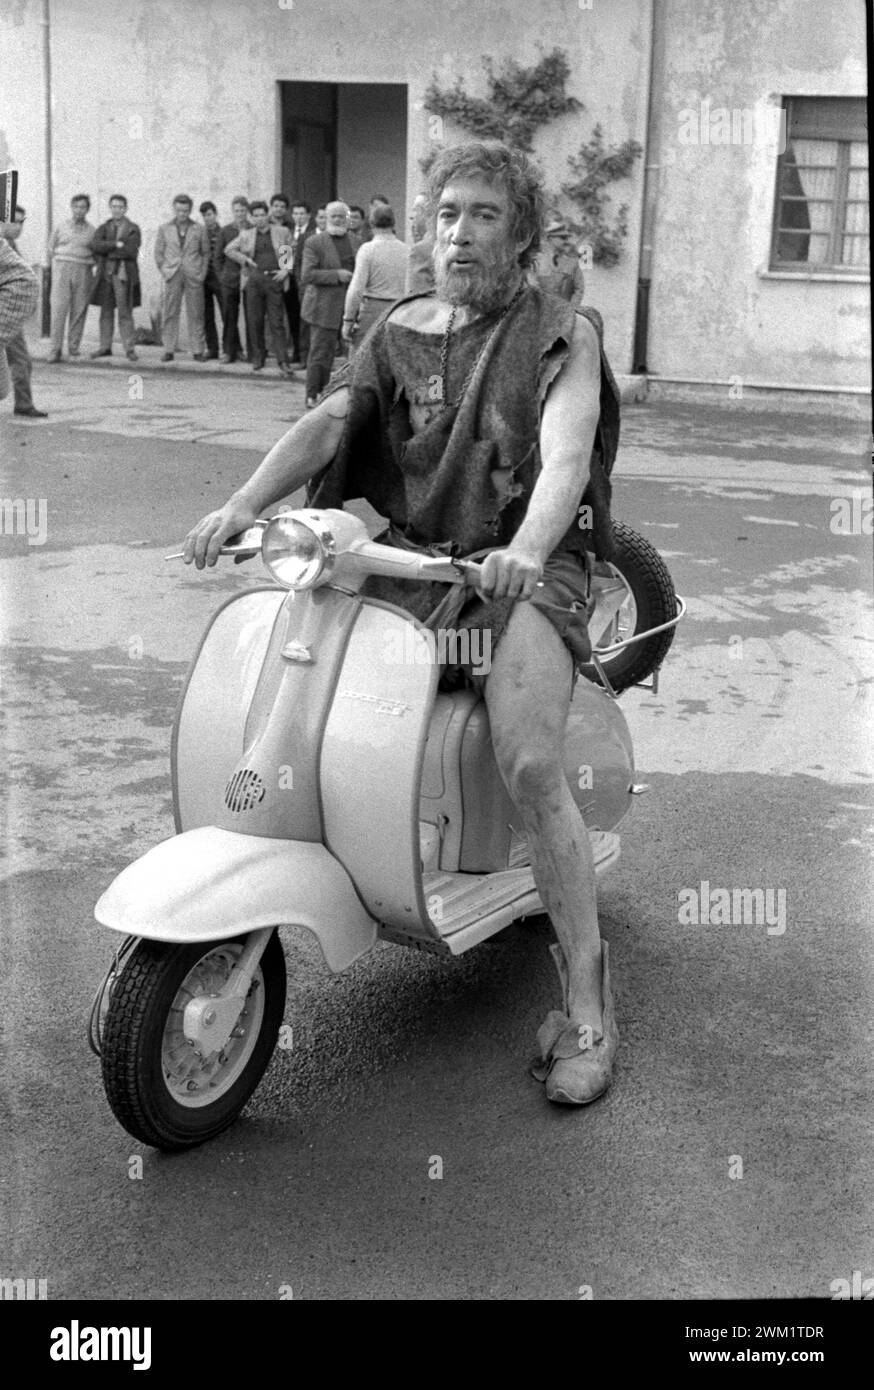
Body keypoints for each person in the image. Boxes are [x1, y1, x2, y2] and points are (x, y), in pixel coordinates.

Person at [182, 140, 622, 1107]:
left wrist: (529, 550)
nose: (459, 233)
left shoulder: (562, 331)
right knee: (316, 672)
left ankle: (589, 1007)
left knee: (533, 762)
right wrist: (243, 503)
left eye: (485, 216)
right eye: (447, 214)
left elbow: (563, 454)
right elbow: (333, 423)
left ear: (524, 234)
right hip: (423, 558)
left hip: (525, 573)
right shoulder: (396, 328)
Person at [223, 200, 294, 377]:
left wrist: (285, 270)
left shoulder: (281, 231)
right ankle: (258, 357)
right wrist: (245, 260)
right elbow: (229, 249)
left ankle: (283, 360)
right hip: (254, 279)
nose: (260, 218)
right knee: (255, 321)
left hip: (274, 279)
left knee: (277, 321)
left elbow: (290, 248)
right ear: (251, 218)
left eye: (262, 215)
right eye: (256, 216)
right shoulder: (247, 234)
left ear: (267, 214)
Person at [300, 200, 356, 407]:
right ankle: (313, 394)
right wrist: (336, 275)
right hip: (323, 307)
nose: (338, 220)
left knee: (352, 355)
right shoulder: (315, 242)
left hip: (350, 307)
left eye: (342, 216)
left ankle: (345, 397)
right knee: (320, 354)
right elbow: (307, 274)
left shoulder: (356, 241)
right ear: (325, 218)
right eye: (334, 216)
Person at [341, 203, 408, 354]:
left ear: (371, 224)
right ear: (393, 223)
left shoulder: (367, 250)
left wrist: (348, 320)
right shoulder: (406, 250)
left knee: (361, 362)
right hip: (399, 311)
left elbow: (356, 288)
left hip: (372, 310)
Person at [154, 194, 209, 362]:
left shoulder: (199, 229)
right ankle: (169, 349)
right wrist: (165, 269)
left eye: (185, 211)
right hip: (173, 273)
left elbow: (206, 252)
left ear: (190, 210)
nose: (182, 214)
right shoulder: (165, 228)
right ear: (174, 209)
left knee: (196, 312)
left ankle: (198, 350)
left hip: (193, 274)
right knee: (170, 312)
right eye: (179, 210)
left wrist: (202, 273)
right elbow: (158, 253)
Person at [0, 209, 44, 417]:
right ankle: (24, 403)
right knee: (20, 359)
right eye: (14, 222)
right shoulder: (4, 245)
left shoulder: (10, 246)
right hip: (5, 312)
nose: (18, 227)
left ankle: (24, 402)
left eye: (21, 223)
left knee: (20, 359)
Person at [89, 194, 141, 362]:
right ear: (110, 208)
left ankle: (129, 348)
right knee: (106, 311)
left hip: (123, 274)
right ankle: (105, 347)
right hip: (106, 274)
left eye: (120, 207)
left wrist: (108, 250)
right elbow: (95, 245)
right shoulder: (104, 227)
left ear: (125, 209)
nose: (117, 210)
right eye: (114, 206)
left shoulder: (133, 228)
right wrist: (115, 244)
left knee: (125, 311)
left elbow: (131, 251)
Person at [47, 193, 95, 361]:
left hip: (83, 269)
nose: (79, 211)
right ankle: (55, 349)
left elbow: (95, 252)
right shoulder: (61, 226)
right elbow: (51, 247)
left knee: (79, 308)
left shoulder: (92, 230)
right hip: (62, 268)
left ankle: (73, 347)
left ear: (87, 209)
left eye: (83, 207)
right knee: (59, 309)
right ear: (71, 208)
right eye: (76, 207)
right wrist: (61, 263)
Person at [218, 196, 251, 363]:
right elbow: (218, 257)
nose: (240, 214)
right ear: (233, 211)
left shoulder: (254, 229)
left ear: (247, 212)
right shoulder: (225, 231)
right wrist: (222, 276)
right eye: (237, 210)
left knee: (252, 316)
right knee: (230, 316)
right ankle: (229, 351)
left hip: (250, 279)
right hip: (229, 279)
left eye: (243, 211)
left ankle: (251, 353)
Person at [269, 193, 300, 361]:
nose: (279, 209)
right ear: (271, 207)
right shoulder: (264, 224)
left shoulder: (291, 226)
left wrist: (286, 269)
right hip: (269, 274)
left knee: (292, 314)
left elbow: (290, 248)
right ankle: (272, 350)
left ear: (286, 209)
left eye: (282, 206)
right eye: (276, 206)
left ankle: (295, 350)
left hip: (287, 275)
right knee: (272, 315)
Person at [532, 218, 585, 306]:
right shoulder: (537, 259)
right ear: (550, 238)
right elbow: (531, 285)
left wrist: (571, 308)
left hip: (562, 313)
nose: (566, 241)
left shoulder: (572, 262)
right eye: (562, 237)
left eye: (567, 238)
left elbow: (579, 289)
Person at [289, 199, 317, 366]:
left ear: (308, 215)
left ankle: (306, 354)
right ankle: (296, 352)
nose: (298, 217)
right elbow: (284, 257)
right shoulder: (288, 232)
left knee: (306, 319)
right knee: (292, 318)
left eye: (302, 213)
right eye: (296, 213)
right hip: (290, 280)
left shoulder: (313, 233)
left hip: (304, 282)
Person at [199, 200, 225, 360]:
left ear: (215, 214)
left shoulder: (223, 232)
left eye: (209, 215)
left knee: (226, 313)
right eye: (204, 216)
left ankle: (231, 348)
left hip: (219, 277)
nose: (207, 218)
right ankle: (212, 348)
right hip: (204, 277)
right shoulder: (200, 232)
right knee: (207, 315)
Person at [405, 192, 435, 295]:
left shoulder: (421, 251)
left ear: (425, 214)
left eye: (414, 209)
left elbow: (417, 300)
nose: (411, 216)